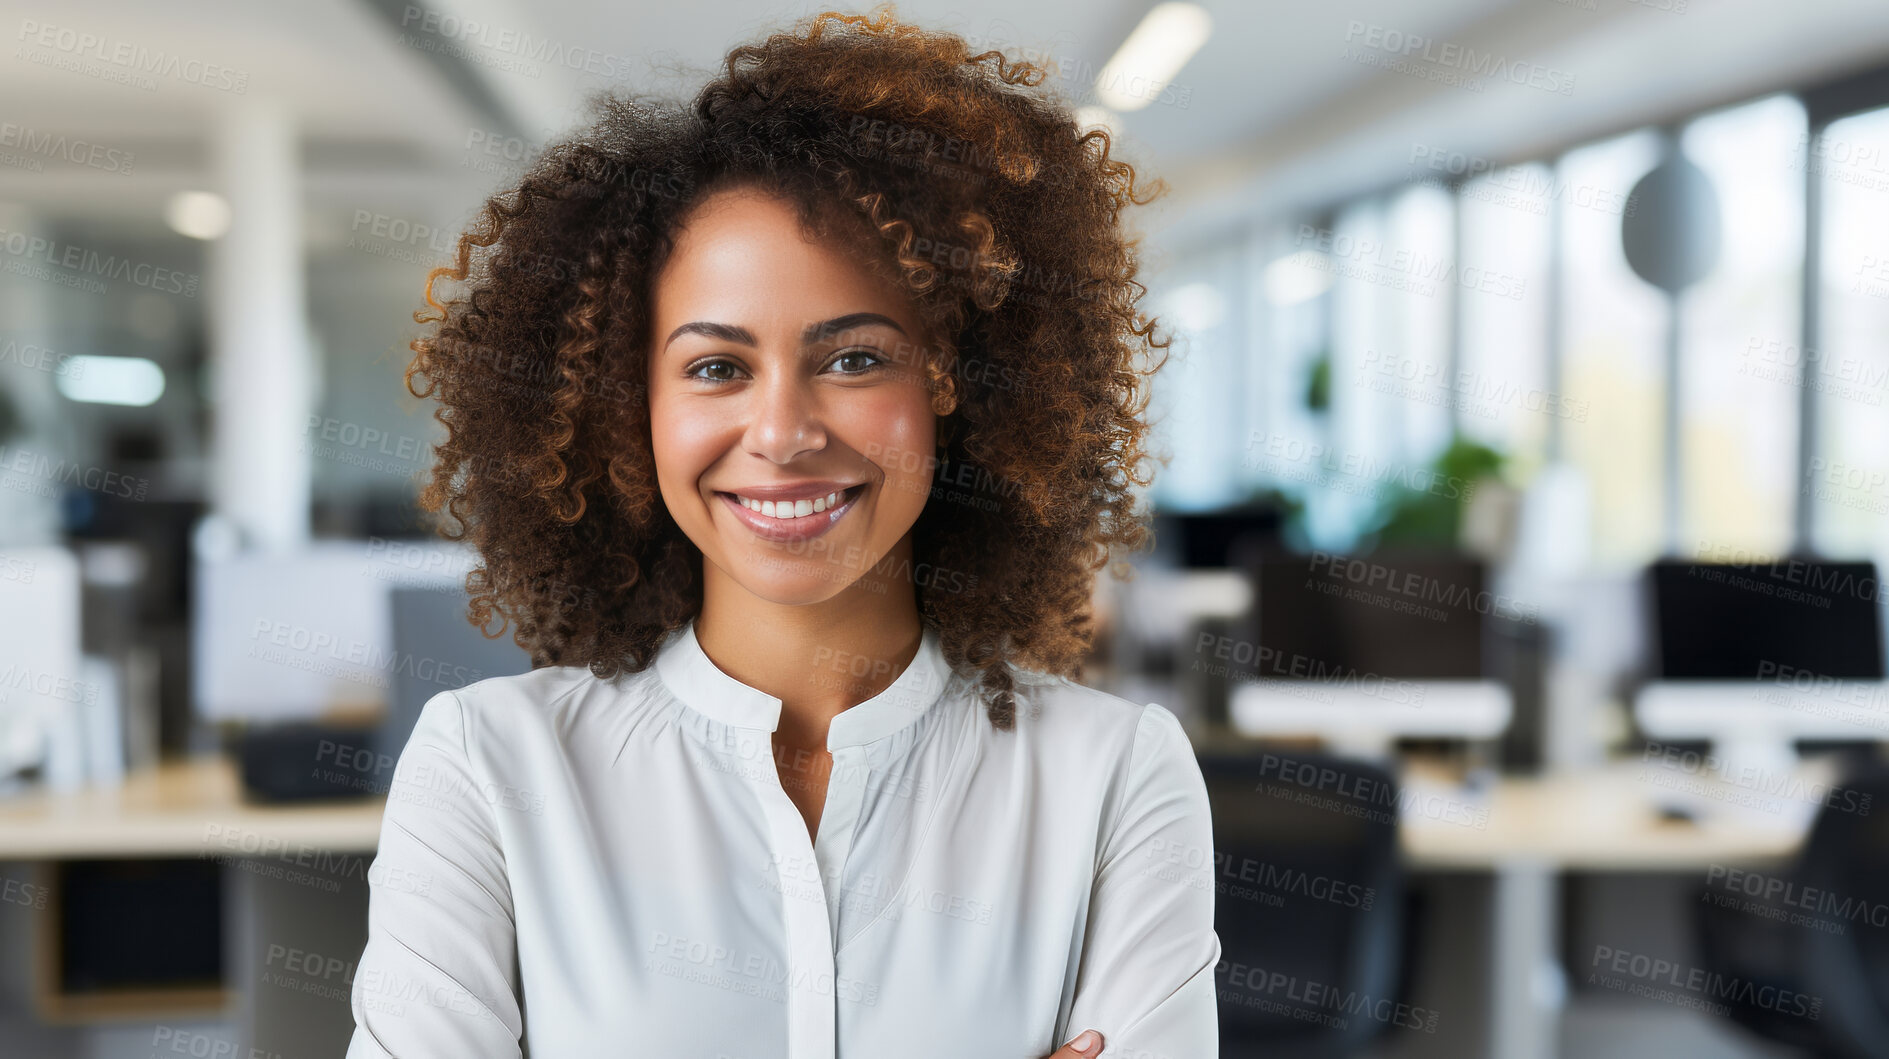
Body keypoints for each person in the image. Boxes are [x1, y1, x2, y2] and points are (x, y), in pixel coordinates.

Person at [346, 10, 1219, 1057]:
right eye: (716, 367)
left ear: (961, 389)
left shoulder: (1112, 775)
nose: (782, 433)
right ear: (629, 411)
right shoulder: (489, 770)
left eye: (853, 359)